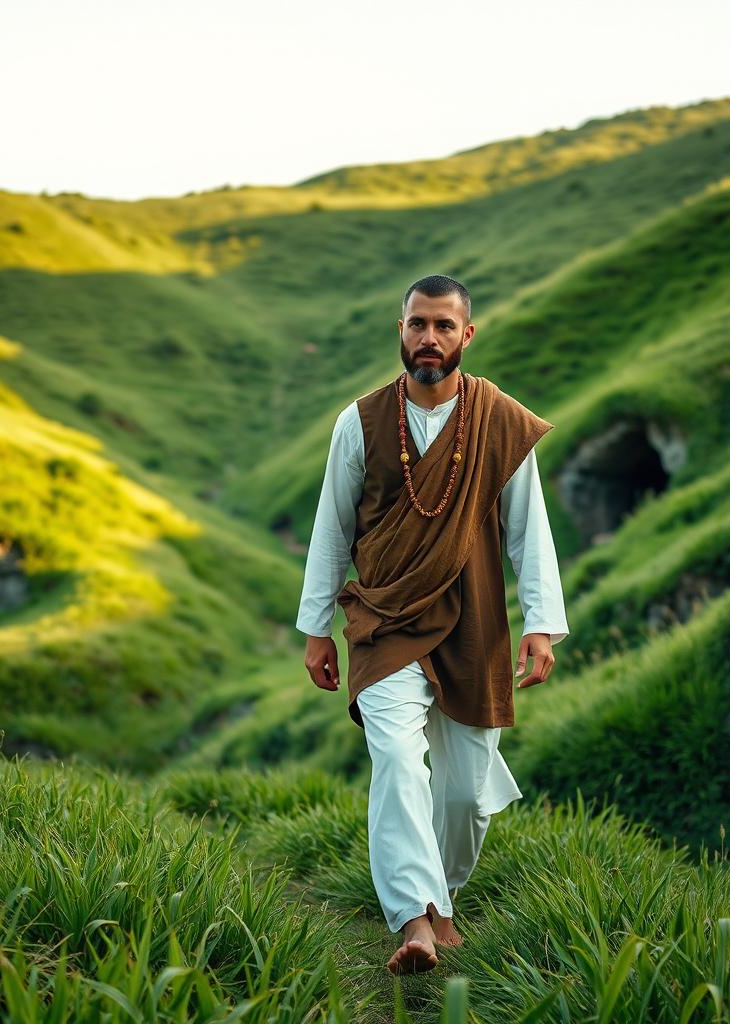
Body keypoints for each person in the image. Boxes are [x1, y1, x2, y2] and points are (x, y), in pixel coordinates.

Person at [296, 274, 569, 974]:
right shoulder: (358, 422)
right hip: (383, 618)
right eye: (418, 323)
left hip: (473, 619)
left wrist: (540, 621)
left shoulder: (501, 420)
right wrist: (316, 626)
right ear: (401, 329)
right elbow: (330, 526)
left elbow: (528, 530)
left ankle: (442, 900)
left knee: (466, 792)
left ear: (467, 336)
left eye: (444, 326)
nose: (429, 338)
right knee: (395, 758)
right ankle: (414, 920)